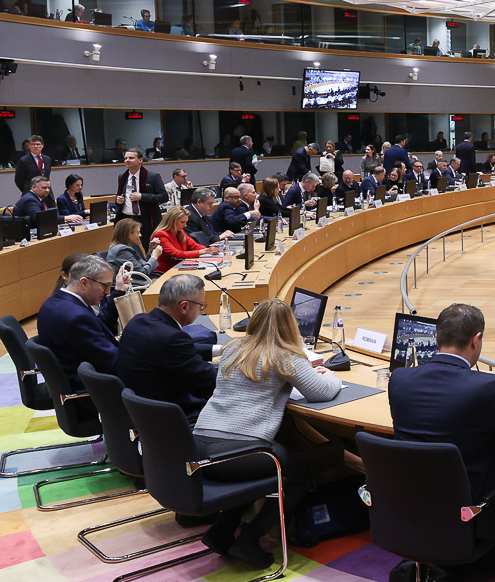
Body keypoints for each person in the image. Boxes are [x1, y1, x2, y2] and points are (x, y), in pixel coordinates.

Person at [389, 304, 495, 579]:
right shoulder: (488, 387)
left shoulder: (399, 379)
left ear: (437, 336)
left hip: (412, 507)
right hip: (473, 511)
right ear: (476, 340)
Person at [193, 298, 340, 568]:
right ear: (290, 326)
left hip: (199, 445)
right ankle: (249, 539)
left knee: (253, 472)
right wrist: (331, 376)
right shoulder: (285, 355)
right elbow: (321, 391)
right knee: (298, 476)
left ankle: (221, 531)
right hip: (237, 451)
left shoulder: (233, 348)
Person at [117, 273, 217, 419]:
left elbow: (173, 351)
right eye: (201, 305)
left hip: (141, 413)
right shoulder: (172, 339)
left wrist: (221, 350)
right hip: (174, 418)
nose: (201, 309)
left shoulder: (137, 321)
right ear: (184, 306)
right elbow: (209, 383)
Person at [36, 255, 132, 396]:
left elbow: (98, 324)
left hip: (72, 379)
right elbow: (113, 363)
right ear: (84, 283)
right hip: (89, 391)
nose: (107, 292)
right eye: (105, 286)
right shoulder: (77, 317)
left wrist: (119, 292)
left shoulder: (54, 302)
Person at [114, 149, 168, 249]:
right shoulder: (122, 177)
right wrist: (118, 200)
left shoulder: (152, 176)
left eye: (131, 158)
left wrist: (142, 197)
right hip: (127, 219)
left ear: (140, 160)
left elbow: (164, 196)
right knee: (126, 249)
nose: (127, 160)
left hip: (146, 219)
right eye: (126, 158)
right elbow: (119, 195)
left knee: (151, 248)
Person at [154, 206, 221, 273]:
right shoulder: (161, 235)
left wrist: (211, 250)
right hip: (166, 272)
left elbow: (194, 246)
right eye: (182, 222)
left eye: (186, 222)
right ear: (172, 221)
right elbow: (177, 254)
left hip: (182, 268)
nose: (185, 225)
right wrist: (205, 251)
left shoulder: (180, 231)